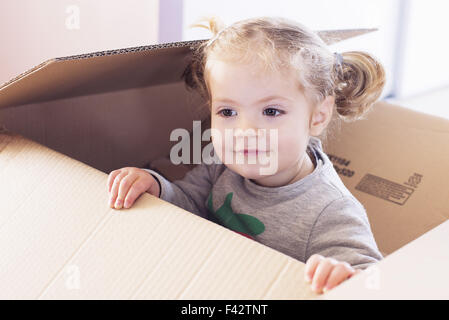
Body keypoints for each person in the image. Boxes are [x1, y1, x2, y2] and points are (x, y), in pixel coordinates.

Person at [107, 16, 386, 294]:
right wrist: (156, 186)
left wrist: (345, 277)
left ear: (318, 115)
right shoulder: (220, 167)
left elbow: (372, 277)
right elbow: (188, 202)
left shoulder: (331, 211)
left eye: (271, 111)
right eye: (227, 112)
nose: (245, 131)